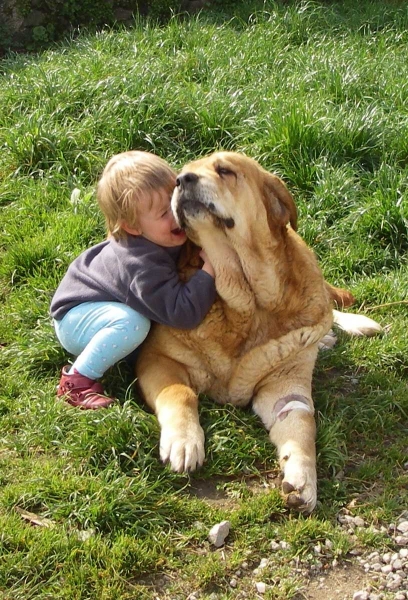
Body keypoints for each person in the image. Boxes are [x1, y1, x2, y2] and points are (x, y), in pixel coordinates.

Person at [50, 151, 215, 410]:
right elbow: (182, 313)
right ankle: (77, 380)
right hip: (76, 319)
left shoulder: (158, 236)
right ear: (132, 228)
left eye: (174, 200)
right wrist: (209, 272)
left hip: (97, 306)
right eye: (163, 214)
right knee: (132, 324)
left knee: (137, 322)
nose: (176, 213)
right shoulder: (142, 266)